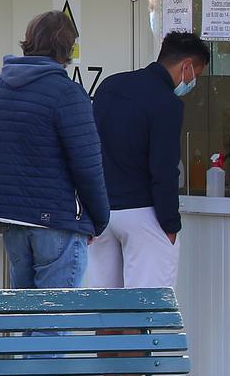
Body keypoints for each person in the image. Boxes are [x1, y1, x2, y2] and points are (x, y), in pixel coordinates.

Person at [0, 10, 110, 376]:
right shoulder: (67, 94)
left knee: (31, 322)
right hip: (55, 224)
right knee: (52, 326)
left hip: (9, 223)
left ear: (27, 43)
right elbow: (88, 164)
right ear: (67, 50)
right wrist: (98, 219)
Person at [87, 31, 212, 292]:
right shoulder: (166, 103)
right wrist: (170, 223)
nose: (192, 82)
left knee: (105, 306)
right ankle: (138, 336)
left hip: (101, 211)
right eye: (196, 75)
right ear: (186, 66)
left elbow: (88, 150)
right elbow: (164, 169)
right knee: (143, 306)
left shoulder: (110, 86)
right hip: (143, 213)